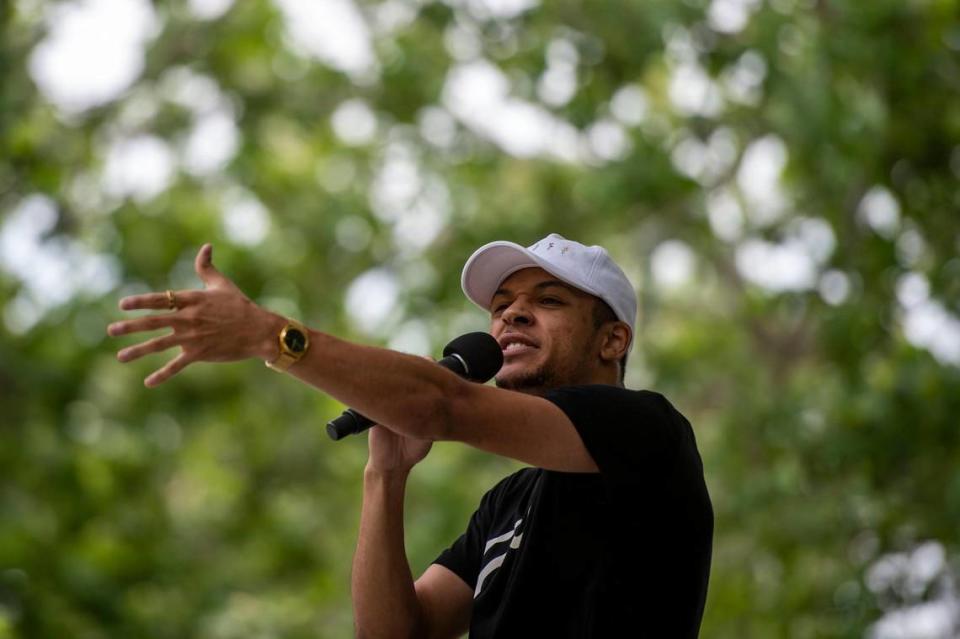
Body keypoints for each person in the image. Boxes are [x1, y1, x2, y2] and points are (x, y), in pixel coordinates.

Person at [109, 233, 713, 638]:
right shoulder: (508, 501)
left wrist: (274, 336)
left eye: (548, 300)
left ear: (613, 341)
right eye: (501, 304)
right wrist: (386, 474)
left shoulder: (647, 431)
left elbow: (442, 403)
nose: (511, 315)